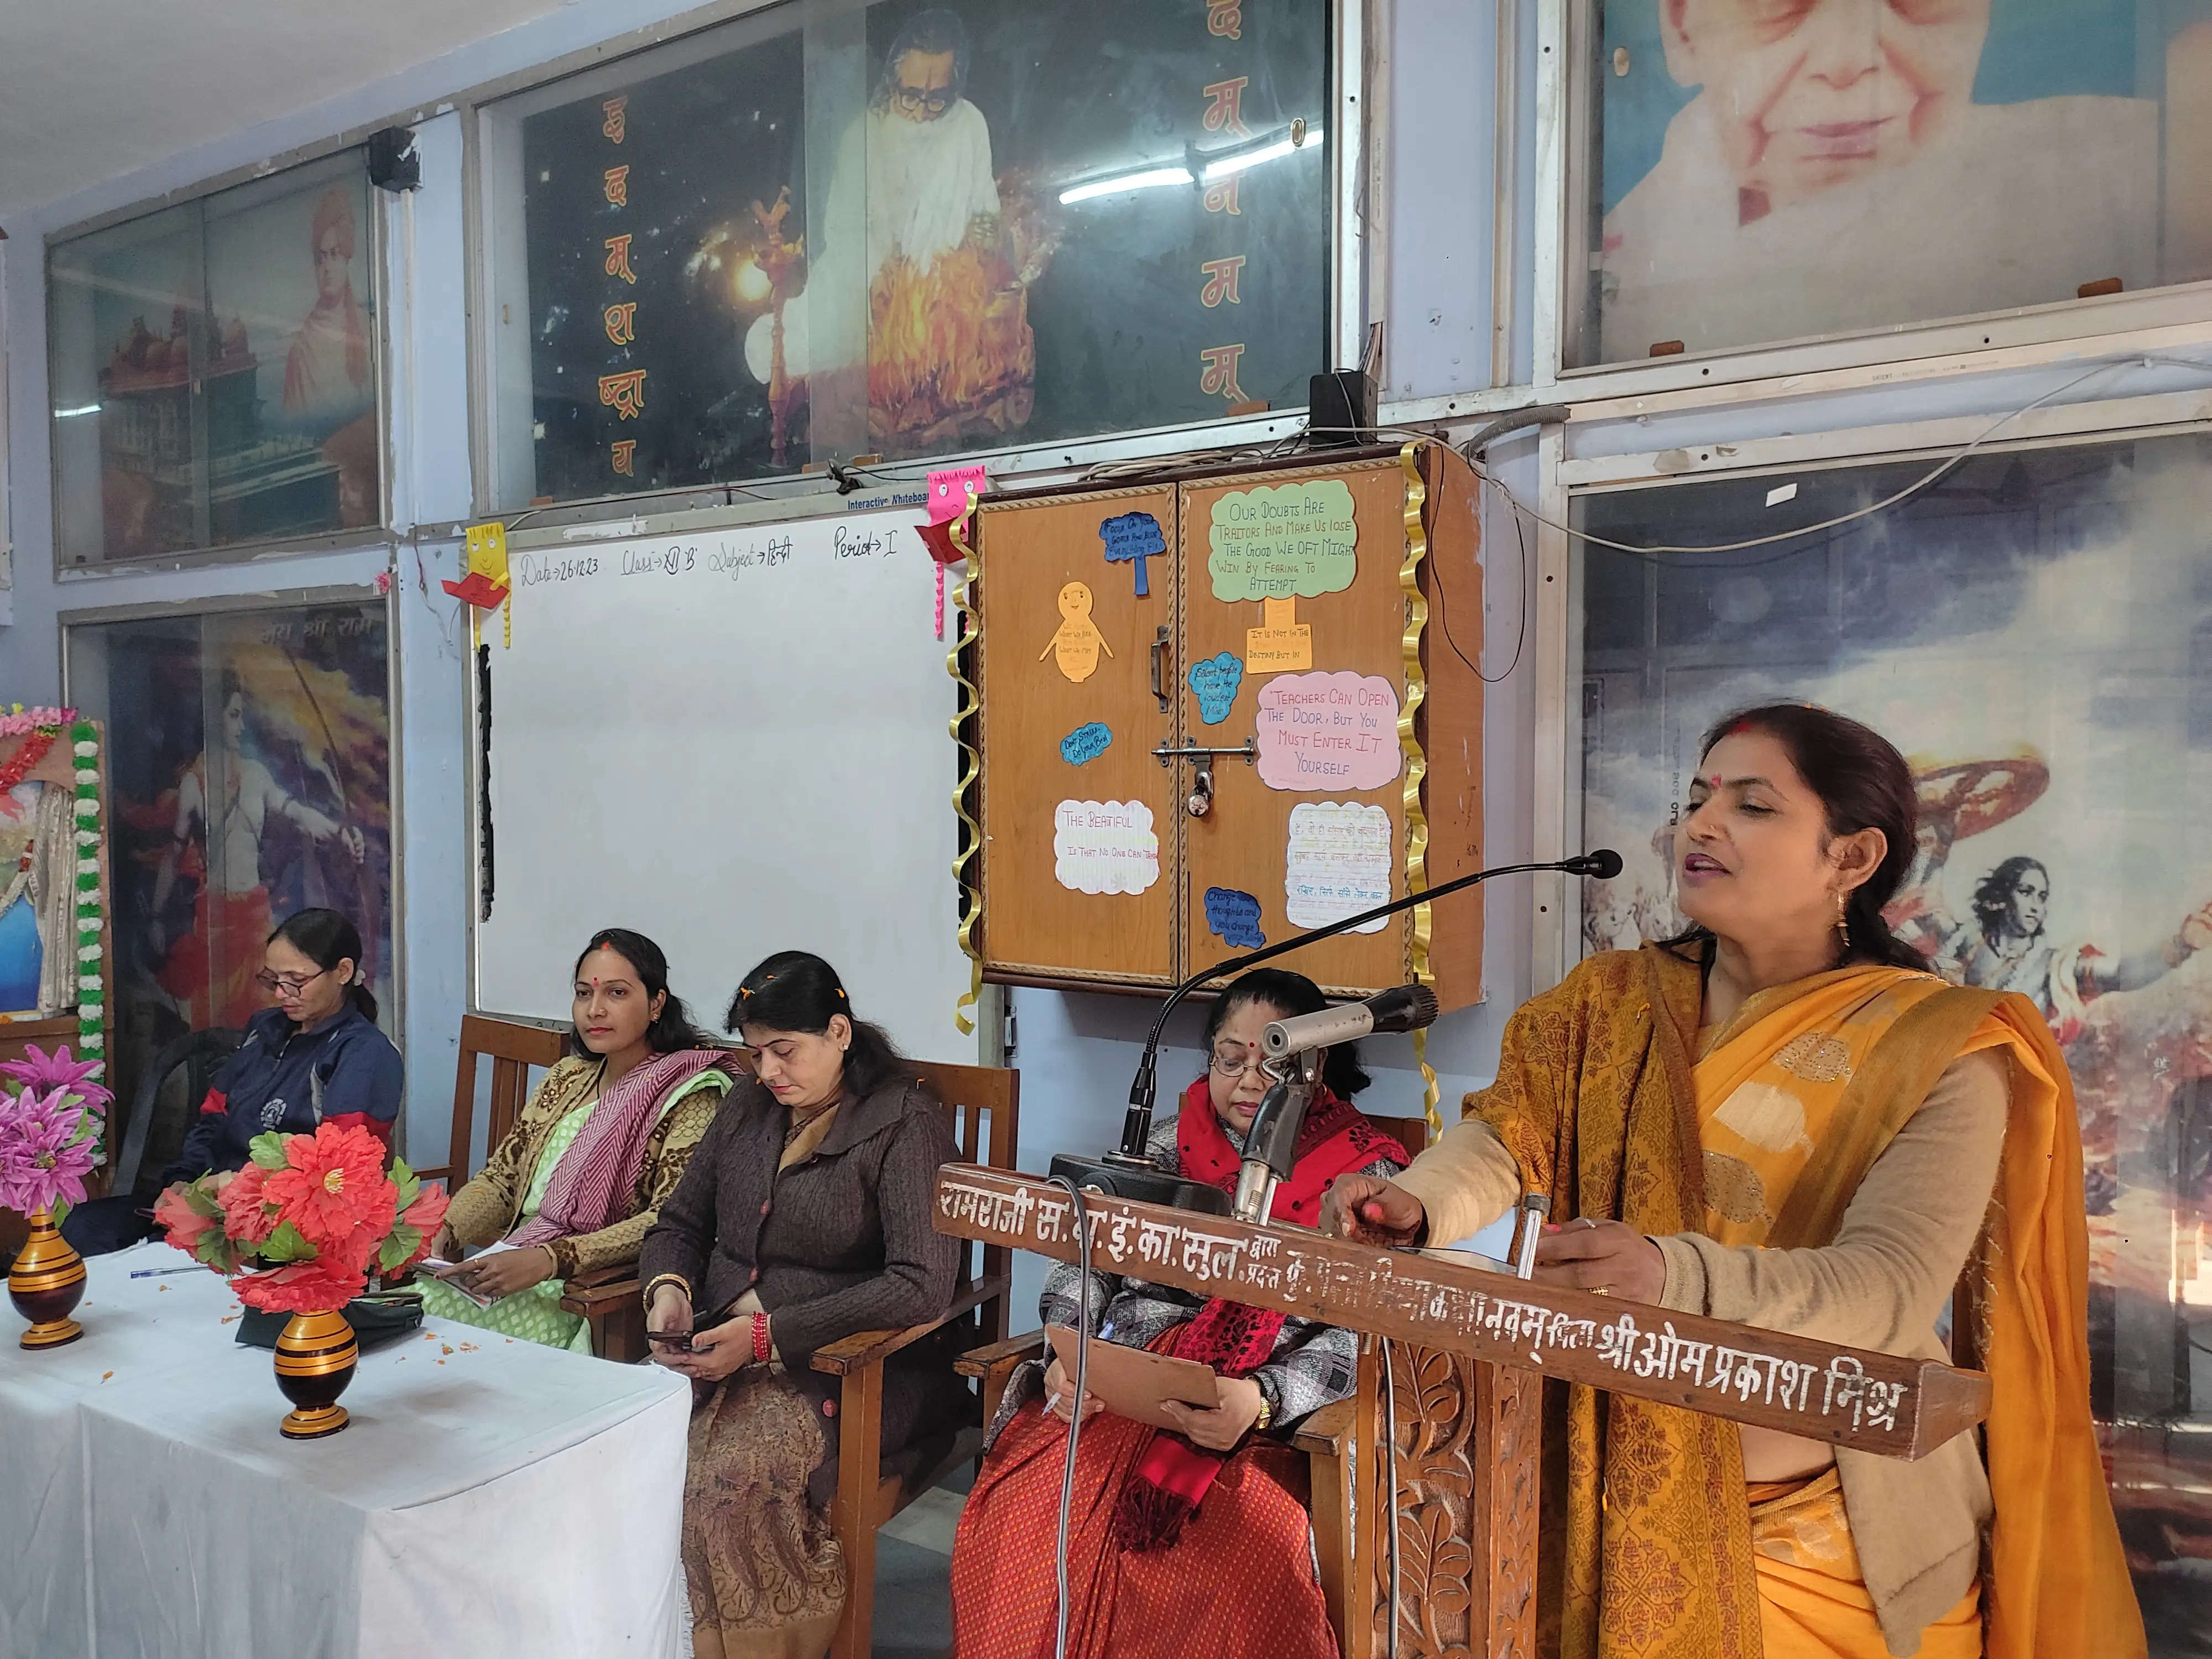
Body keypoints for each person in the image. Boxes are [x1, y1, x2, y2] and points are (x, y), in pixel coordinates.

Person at [1326, 704, 2143, 1659]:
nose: (1699, 826)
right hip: (1599, 1500)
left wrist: (1669, 1278)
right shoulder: (1612, 1003)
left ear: (1852, 857)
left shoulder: (1941, 1047)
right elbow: (1509, 1139)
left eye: (1752, 806)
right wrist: (1421, 1200)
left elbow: (1886, 1287)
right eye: (1697, 798)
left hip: (1831, 1549)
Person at [950, 968, 1412, 1659]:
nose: (1249, 1080)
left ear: (1320, 1065)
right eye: (1230, 1060)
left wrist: (1260, 1401)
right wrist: (1067, 1351)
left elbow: (1357, 1333)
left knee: (1235, 1572)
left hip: (1260, 1418)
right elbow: (1086, 1252)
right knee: (1025, 1519)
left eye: (1275, 1062)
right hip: (1117, 1390)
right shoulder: (1168, 1143)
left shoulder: (1365, 1179)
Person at [639, 951, 964, 1659]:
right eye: (756, 1054)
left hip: (850, 1369)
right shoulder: (747, 1106)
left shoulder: (903, 1125)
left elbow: (923, 1283)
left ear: (840, 1033)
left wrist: (765, 1338)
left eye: (785, 1051)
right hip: (716, 1342)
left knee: (718, 1479)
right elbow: (680, 1224)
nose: (769, 1072)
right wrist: (670, 1292)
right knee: (632, 1456)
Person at [1597, 0, 2204, 359]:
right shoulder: (1607, 288)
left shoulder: (2130, 172)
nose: (1845, 61)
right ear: (1680, 27)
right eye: (1780, 6)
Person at [418, 930, 734, 1352]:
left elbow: (668, 1222)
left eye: (617, 993)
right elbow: (501, 1180)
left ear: (657, 1003)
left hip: (591, 1290)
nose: (595, 1010)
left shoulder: (692, 1094)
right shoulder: (567, 1078)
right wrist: (447, 1229)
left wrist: (551, 1260)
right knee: (414, 1316)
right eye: (583, 994)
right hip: (515, 1260)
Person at [64, 907, 401, 1256]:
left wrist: (233, 1186)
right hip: (212, 1202)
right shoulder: (265, 1030)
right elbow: (213, 1119)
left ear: (343, 972)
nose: (281, 994)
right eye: (273, 980)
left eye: (296, 981)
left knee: (154, 1259)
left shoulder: (364, 1054)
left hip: (288, 1224)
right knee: (84, 1229)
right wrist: (183, 1180)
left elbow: (340, 1172)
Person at [812, 6, 1035, 451]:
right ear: (894, 80)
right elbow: (842, 233)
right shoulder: (863, 135)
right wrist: (884, 282)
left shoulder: (969, 123)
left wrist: (983, 244)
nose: (923, 109)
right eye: (911, 94)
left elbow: (982, 208)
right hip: (878, 294)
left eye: (937, 97)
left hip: (952, 290)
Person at [150, 670, 365, 1031]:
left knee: (267, 1015)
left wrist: (339, 833)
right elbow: (174, 857)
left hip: (255, 916)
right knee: (216, 1023)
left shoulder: (256, 775)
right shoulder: (194, 784)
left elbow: (296, 813)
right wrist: (155, 918)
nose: (240, 726)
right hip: (215, 923)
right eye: (233, 716)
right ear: (212, 720)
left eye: (242, 716)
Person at [283, 184, 374, 427]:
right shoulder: (302, 350)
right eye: (320, 258)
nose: (327, 268)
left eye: (334, 254)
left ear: (347, 258)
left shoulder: (369, 328)